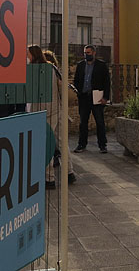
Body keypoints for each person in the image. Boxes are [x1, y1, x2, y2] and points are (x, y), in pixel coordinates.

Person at [43, 50, 76, 186]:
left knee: (48, 144)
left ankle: (49, 177)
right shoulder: (56, 71)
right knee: (62, 142)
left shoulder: (44, 71)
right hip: (59, 109)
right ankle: (69, 172)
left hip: (48, 111)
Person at [73, 45, 111, 154]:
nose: (86, 55)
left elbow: (107, 82)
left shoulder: (101, 65)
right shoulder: (80, 65)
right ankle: (82, 144)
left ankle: (102, 145)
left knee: (100, 122)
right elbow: (76, 80)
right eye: (85, 53)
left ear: (94, 53)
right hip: (84, 97)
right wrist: (78, 92)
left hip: (96, 97)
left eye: (88, 53)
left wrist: (105, 97)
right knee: (83, 122)